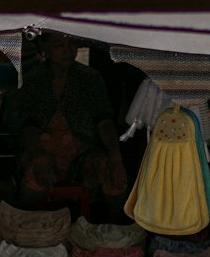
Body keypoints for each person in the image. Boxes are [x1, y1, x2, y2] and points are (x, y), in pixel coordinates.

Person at [11, 33, 127, 215]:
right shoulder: (33, 79)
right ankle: (27, 227)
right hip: (43, 150)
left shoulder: (90, 78)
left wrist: (114, 154)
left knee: (110, 170)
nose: (68, 50)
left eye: (72, 43)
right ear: (45, 48)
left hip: (82, 153)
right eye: (59, 43)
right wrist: (38, 155)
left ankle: (118, 228)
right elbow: (28, 125)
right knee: (35, 173)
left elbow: (104, 120)